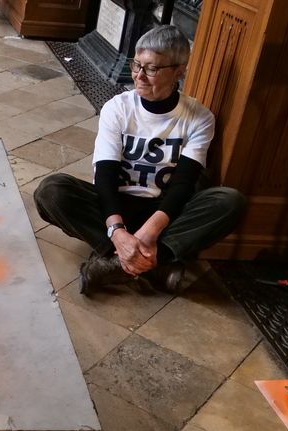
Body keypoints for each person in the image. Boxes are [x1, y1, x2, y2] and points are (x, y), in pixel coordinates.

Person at [33, 25, 245, 296]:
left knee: (229, 202)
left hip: (164, 212)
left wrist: (148, 232)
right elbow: (105, 174)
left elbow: (184, 183)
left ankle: (114, 265)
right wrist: (118, 231)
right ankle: (153, 264)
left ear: (179, 71)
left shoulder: (199, 118)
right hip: (115, 207)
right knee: (51, 192)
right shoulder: (118, 108)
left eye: (152, 69)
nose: (139, 76)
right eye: (137, 65)